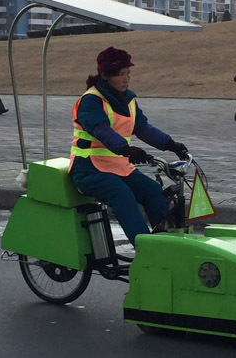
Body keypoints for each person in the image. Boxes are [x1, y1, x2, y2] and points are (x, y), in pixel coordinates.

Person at [69, 46, 189, 246]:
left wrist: (171, 144)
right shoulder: (91, 101)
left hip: (119, 168)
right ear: (106, 75)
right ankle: (146, 250)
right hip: (89, 169)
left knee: (152, 191)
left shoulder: (128, 99)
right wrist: (126, 150)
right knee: (122, 196)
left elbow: (143, 128)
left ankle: (169, 246)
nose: (126, 79)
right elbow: (102, 131)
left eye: (128, 73)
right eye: (120, 74)